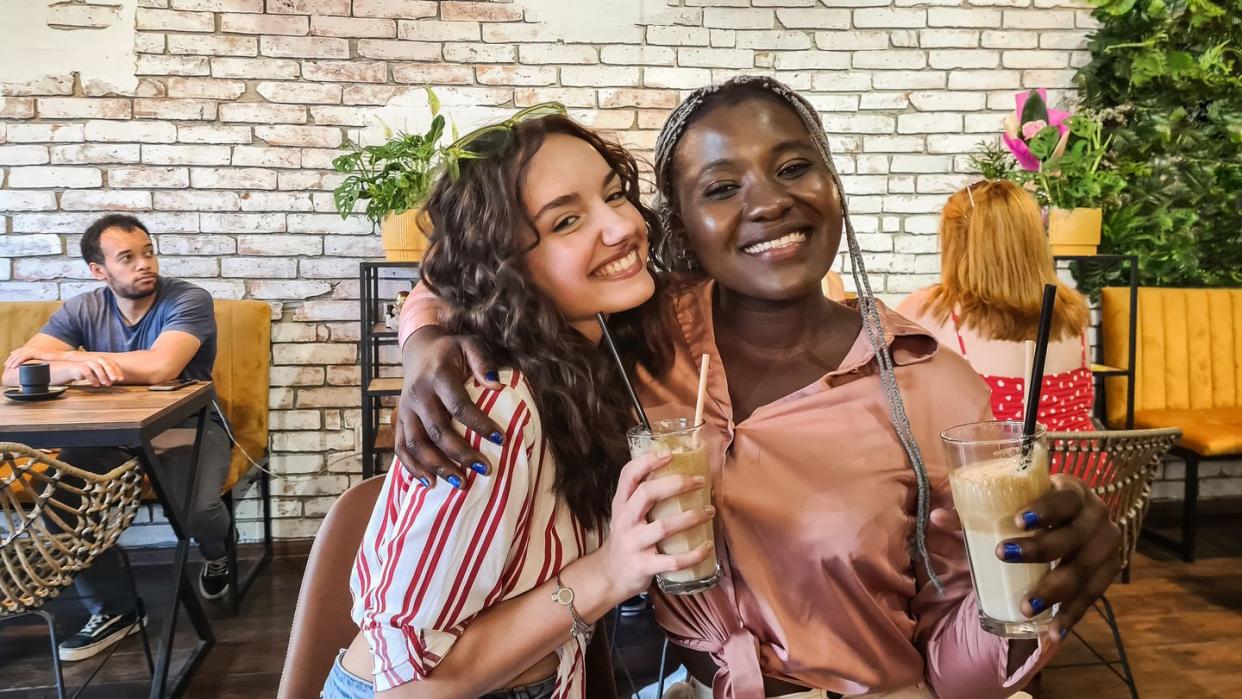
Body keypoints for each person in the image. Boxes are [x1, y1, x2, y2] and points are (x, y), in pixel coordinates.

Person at [394, 77, 1123, 699]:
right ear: (676, 224)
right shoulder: (635, 334)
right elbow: (473, 265)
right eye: (721, 187)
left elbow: (951, 668)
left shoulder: (933, 387)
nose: (769, 202)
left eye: (794, 167)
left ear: (832, 185)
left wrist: (1041, 594)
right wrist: (425, 340)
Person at [329, 108, 715, 699]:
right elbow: (411, 687)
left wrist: (421, 334)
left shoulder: (591, 350)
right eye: (565, 222)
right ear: (504, 266)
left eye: (614, 195)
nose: (619, 228)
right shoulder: (488, 402)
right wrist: (610, 572)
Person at [2, 214, 234, 661]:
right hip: (109, 433)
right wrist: (71, 366)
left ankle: (218, 548)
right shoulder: (82, 309)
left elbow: (161, 367)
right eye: (126, 258)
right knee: (61, 505)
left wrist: (77, 358)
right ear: (98, 270)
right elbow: (14, 372)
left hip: (188, 425)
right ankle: (117, 609)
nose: (144, 264)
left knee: (197, 511)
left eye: (147, 252)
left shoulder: (188, 298)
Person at [896, 180, 1095, 432]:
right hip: (1080, 469)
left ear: (958, 245)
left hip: (994, 469)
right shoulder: (1075, 311)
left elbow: (889, 400)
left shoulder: (927, 310)